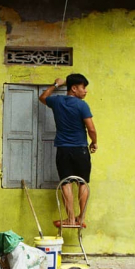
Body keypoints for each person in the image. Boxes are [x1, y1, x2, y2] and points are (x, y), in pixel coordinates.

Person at [39, 73, 98, 228]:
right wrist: (94, 142)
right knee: (82, 183)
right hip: (80, 149)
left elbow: (42, 97)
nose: (85, 91)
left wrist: (56, 84)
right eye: (83, 88)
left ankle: (71, 219)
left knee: (66, 183)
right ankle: (81, 218)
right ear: (74, 88)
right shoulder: (82, 105)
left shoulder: (56, 101)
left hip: (63, 150)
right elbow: (91, 128)